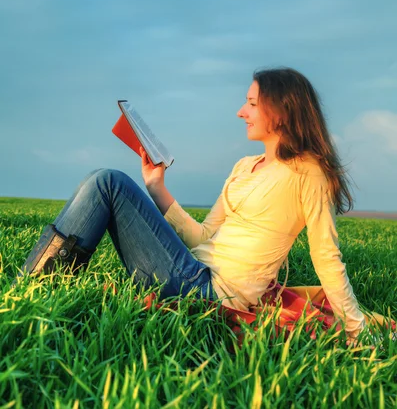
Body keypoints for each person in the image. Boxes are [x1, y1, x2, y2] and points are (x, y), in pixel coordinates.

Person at [17, 67, 367, 341]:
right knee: (105, 181)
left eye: (252, 103)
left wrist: (356, 330)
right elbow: (204, 237)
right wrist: (156, 186)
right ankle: (34, 292)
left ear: (282, 111)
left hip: (212, 294)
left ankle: (27, 291)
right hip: (190, 272)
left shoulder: (309, 175)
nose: (241, 111)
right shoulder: (244, 166)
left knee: (108, 182)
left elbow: (326, 257)